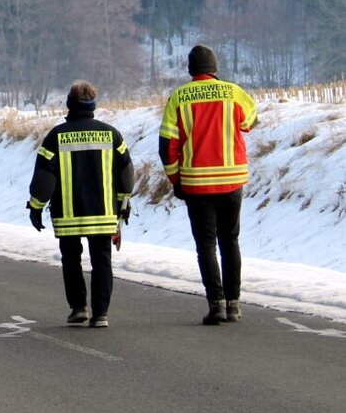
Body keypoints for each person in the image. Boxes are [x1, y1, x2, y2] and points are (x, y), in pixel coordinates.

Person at [160, 45, 257, 325]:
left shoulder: (178, 98)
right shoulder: (234, 92)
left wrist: (175, 180)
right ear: (215, 69)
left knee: (206, 245)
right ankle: (234, 304)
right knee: (231, 241)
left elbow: (167, 147)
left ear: (191, 70)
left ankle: (215, 304)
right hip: (232, 181)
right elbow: (250, 122)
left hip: (196, 184)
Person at [28, 81, 134, 328]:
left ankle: (78, 308)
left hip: (68, 215)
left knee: (71, 259)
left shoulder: (56, 137)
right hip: (103, 213)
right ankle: (101, 315)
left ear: (69, 104)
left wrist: (35, 206)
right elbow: (126, 173)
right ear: (93, 105)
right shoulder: (111, 134)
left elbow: (45, 179)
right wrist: (123, 203)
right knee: (102, 261)